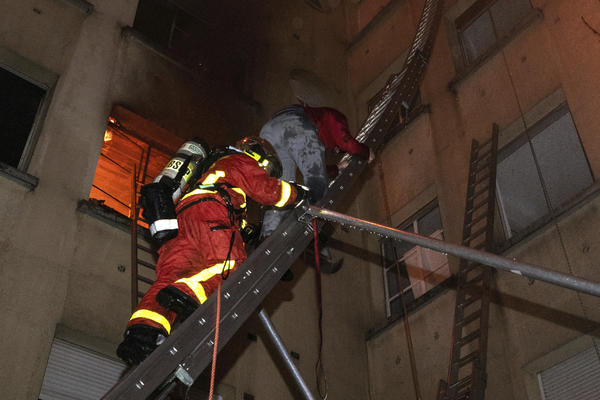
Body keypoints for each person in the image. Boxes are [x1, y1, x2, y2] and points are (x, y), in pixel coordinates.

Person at [117, 137, 308, 365]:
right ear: (256, 154)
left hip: (182, 222)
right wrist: (298, 193)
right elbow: (267, 191)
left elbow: (229, 213)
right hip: (211, 214)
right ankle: (187, 291)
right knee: (230, 267)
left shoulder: (213, 171)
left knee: (168, 278)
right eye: (266, 167)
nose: (264, 171)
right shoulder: (241, 160)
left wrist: (249, 232)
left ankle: (142, 334)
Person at [258, 104, 373, 271]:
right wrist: (367, 152)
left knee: (282, 191)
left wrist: (338, 169)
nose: (334, 150)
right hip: (294, 123)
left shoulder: (313, 132)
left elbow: (313, 163)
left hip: (270, 133)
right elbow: (346, 142)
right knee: (317, 186)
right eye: (336, 149)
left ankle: (268, 235)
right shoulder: (335, 116)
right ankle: (311, 237)